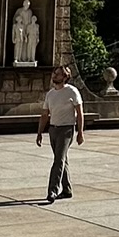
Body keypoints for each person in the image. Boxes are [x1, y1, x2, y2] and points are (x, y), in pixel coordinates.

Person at [35, 65, 86, 202]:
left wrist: (80, 132)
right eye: (54, 73)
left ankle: (53, 190)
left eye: (57, 74)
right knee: (62, 159)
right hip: (53, 129)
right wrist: (40, 132)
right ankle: (67, 189)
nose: (54, 76)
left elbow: (80, 113)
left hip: (66, 130)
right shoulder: (50, 94)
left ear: (65, 77)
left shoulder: (72, 91)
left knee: (58, 160)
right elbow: (45, 114)